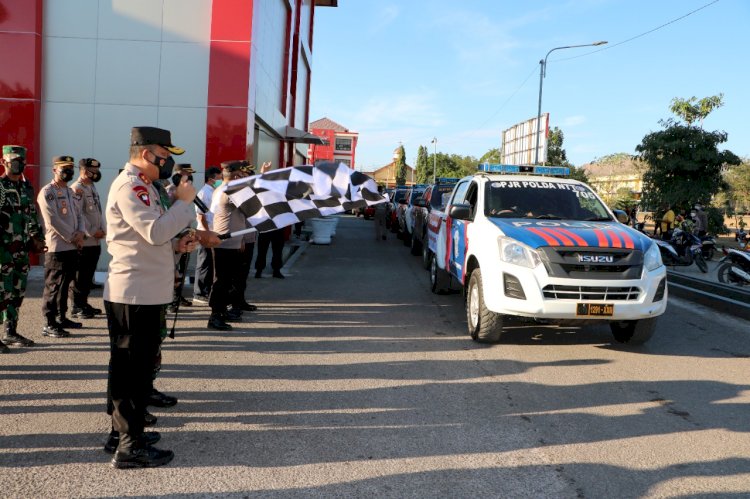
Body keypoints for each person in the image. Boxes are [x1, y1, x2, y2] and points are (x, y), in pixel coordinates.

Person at [103, 126, 219, 469]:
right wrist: (184, 204)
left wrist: (176, 244)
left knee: (133, 370)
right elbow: (154, 231)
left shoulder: (147, 188)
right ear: (146, 155)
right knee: (131, 372)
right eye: (165, 156)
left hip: (146, 291)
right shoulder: (131, 186)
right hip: (134, 293)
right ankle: (129, 445)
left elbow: (150, 237)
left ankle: (124, 433)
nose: (168, 164)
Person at [0, 145, 46, 353]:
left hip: (21, 251)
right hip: (3, 251)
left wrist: (37, 238)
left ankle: (10, 331)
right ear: (4, 162)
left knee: (17, 292)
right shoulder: (0, 187)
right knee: (2, 293)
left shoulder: (27, 188)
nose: (17, 165)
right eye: (13, 161)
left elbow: (31, 216)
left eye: (21, 161)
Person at [37, 155, 85, 338]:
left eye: (70, 169)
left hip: (72, 247)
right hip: (57, 247)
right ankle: (49, 323)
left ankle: (61, 317)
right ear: (54, 170)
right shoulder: (47, 192)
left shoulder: (71, 192)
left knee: (66, 285)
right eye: (64, 169)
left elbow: (79, 215)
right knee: (53, 286)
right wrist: (73, 236)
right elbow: (52, 220)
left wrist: (81, 233)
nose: (68, 172)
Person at [207, 160, 249, 331]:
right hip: (224, 242)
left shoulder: (224, 189)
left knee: (226, 280)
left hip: (230, 241)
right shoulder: (228, 192)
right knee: (222, 281)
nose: (242, 177)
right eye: (240, 174)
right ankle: (215, 315)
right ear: (235, 175)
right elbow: (250, 205)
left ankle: (221, 311)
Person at [70, 158, 105, 319]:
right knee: (80, 275)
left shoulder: (91, 186)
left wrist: (103, 230)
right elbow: (78, 214)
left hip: (95, 241)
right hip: (85, 240)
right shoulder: (77, 189)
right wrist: (91, 231)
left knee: (87, 275)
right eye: (93, 171)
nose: (96, 174)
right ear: (83, 171)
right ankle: (76, 306)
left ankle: (83, 302)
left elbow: (97, 211)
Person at [193, 165, 222, 303]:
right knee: (204, 262)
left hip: (211, 231)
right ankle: (199, 293)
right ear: (211, 179)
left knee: (210, 263)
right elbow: (201, 216)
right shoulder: (204, 192)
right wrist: (206, 233)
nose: (221, 180)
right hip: (205, 232)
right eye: (219, 178)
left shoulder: (214, 191)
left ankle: (206, 290)